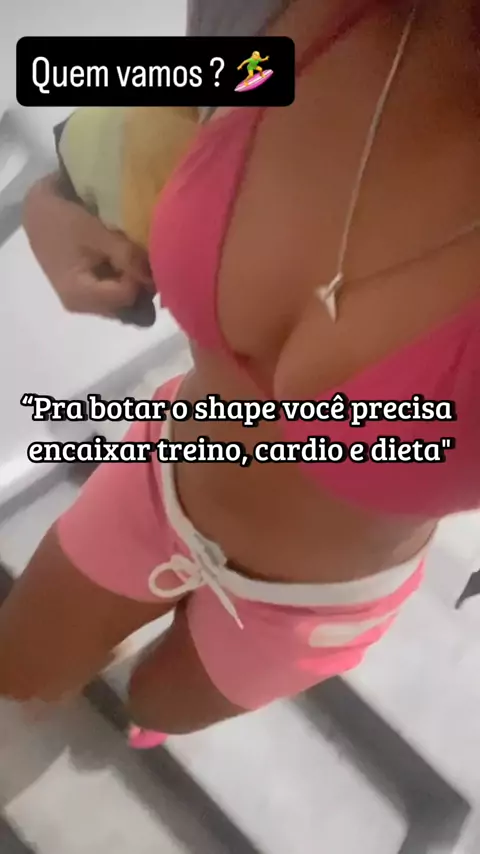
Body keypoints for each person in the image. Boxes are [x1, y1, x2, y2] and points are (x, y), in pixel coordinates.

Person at [1, 0, 480, 753]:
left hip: (318, 606)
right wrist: (50, 203)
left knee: (155, 702)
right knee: (20, 670)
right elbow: (152, 101)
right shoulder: (270, 16)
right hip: (161, 476)